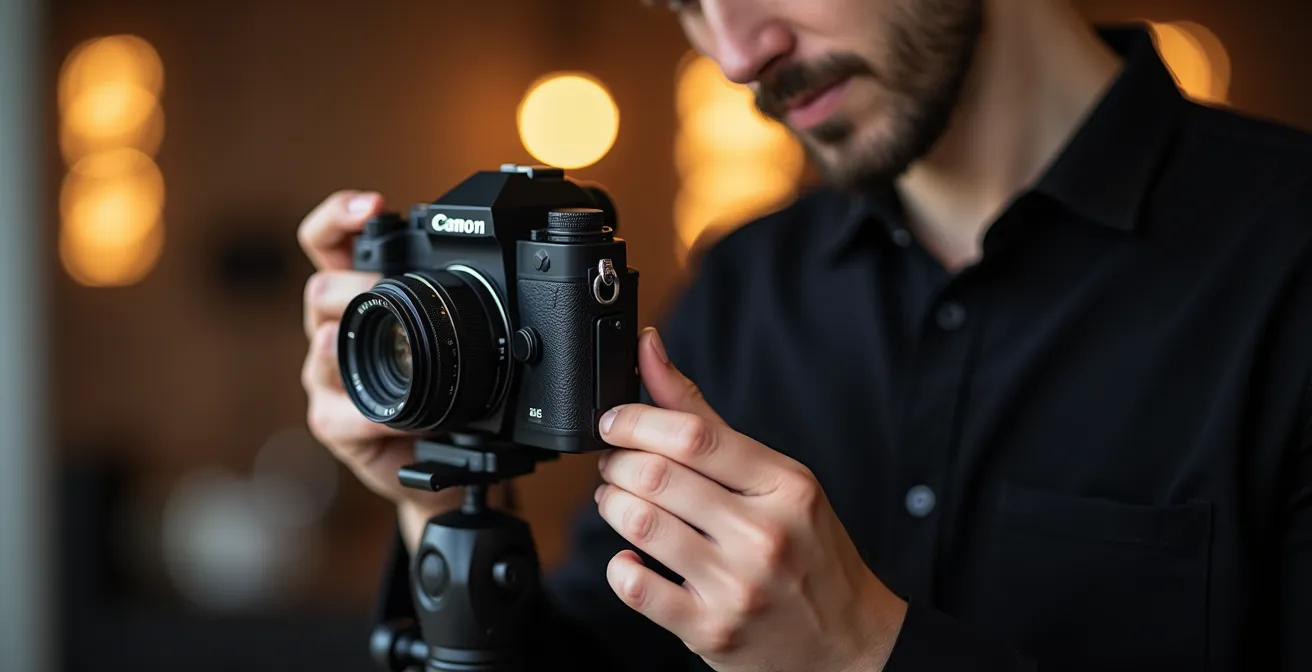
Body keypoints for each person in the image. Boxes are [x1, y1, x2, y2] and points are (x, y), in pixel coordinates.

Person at [299, 0, 1312, 669]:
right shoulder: (743, 285)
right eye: (684, 2)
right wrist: (424, 492)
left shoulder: (1288, 263)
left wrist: (867, 652)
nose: (737, 52)